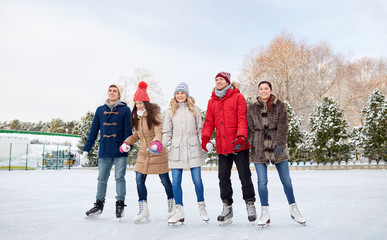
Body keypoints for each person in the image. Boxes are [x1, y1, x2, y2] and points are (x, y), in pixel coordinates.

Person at [247, 81, 306, 227]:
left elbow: (283, 126)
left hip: (277, 145)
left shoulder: (279, 105)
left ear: (271, 90)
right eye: (261, 89)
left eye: (266, 88)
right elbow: (249, 129)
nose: (263, 91)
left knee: (286, 181)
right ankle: (265, 212)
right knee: (262, 182)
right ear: (258, 91)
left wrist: (280, 143)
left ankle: (294, 209)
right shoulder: (252, 108)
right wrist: (241, 140)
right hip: (259, 146)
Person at [201, 72, 256, 225]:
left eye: (221, 79)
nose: (218, 82)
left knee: (244, 176)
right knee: (223, 178)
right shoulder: (212, 101)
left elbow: (242, 119)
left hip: (239, 144)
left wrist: (241, 137)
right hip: (222, 145)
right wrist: (205, 138)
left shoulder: (238, 97)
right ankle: (227, 207)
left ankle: (250, 204)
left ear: (227, 82)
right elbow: (209, 123)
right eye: (216, 79)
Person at [120, 81, 174, 223]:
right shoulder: (135, 117)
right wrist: (127, 142)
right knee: (139, 180)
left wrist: (157, 143)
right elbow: (137, 135)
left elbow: (159, 131)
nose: (138, 105)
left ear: (146, 102)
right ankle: (143, 208)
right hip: (143, 153)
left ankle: (172, 204)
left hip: (157, 152)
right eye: (136, 103)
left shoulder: (154, 115)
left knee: (165, 180)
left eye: (141, 102)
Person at [162, 82, 209, 224]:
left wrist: (205, 142)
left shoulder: (195, 109)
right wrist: (160, 144)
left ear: (187, 95)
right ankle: (179, 211)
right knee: (175, 182)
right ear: (174, 95)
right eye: (177, 93)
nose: (180, 95)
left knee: (197, 181)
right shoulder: (170, 111)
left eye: (182, 93)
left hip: (193, 148)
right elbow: (167, 132)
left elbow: (200, 129)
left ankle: (202, 206)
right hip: (176, 150)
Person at [83, 84, 133, 219]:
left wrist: (128, 145)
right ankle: (99, 205)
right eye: (110, 91)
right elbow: (93, 131)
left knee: (119, 178)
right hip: (105, 149)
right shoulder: (100, 110)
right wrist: (86, 149)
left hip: (120, 149)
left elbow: (129, 131)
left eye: (114, 91)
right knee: (101, 178)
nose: (111, 93)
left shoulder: (125, 110)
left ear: (119, 95)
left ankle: (120, 204)